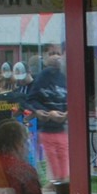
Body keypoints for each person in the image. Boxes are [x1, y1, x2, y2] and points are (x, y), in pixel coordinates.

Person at [20, 47, 69, 182]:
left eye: (58, 54)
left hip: (62, 129)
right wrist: (48, 113)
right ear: (46, 57)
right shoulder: (42, 77)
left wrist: (67, 112)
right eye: (52, 54)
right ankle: (56, 183)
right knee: (54, 164)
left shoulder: (65, 76)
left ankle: (61, 183)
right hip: (47, 129)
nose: (55, 57)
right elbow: (31, 100)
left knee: (64, 163)